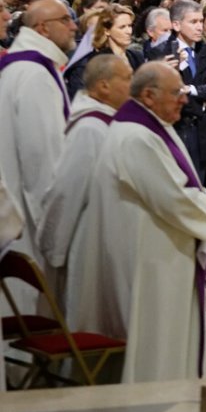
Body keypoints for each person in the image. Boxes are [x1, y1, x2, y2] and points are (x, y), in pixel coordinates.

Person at [71, 62, 206, 382]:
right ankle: (155, 395)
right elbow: (171, 196)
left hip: (154, 249)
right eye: (176, 93)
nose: (184, 99)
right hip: (151, 256)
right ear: (148, 95)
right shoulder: (136, 136)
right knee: (155, 335)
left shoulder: (146, 127)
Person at [38, 55, 132, 305]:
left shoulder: (106, 122)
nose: (132, 86)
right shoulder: (90, 128)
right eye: (127, 79)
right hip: (89, 246)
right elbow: (66, 192)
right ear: (103, 86)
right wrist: (55, 251)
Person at [0, 0, 75, 310]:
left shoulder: (24, 66)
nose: (74, 25)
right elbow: (44, 165)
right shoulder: (34, 75)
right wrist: (61, 238)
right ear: (43, 28)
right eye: (65, 19)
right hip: (29, 226)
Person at [145, 0, 206, 174]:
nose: (199, 27)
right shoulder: (160, 53)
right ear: (176, 24)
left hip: (203, 135)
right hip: (175, 132)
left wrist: (190, 89)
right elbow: (167, 97)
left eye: (200, 21)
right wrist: (203, 102)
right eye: (193, 22)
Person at [64, 4, 140, 98]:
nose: (129, 31)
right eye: (122, 27)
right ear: (107, 31)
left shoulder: (136, 56)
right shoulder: (96, 61)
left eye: (130, 26)